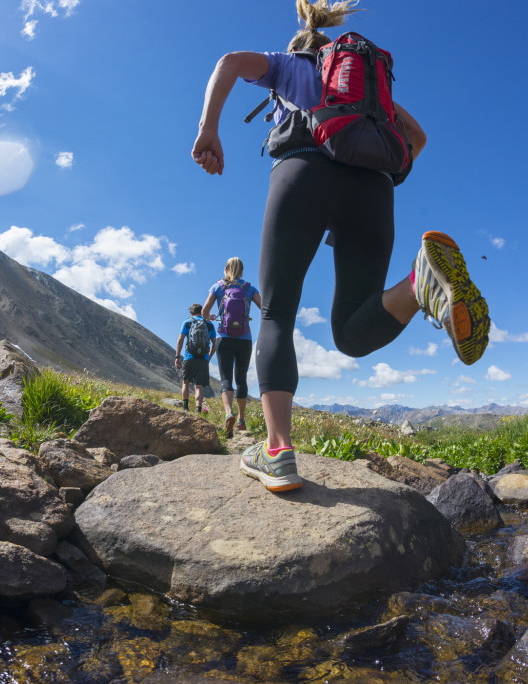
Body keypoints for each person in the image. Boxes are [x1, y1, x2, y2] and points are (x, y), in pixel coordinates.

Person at [191, 0, 489, 493]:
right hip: (374, 189)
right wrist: (363, 185)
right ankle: (420, 283)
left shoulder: (290, 65)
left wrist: (208, 129)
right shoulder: (371, 99)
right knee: (352, 332)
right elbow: (417, 136)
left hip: (302, 172)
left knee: (278, 315)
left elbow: (229, 62)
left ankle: (278, 450)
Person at [202, 257, 262, 438]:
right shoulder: (249, 288)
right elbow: (265, 308)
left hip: (223, 337)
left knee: (225, 378)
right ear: (242, 271)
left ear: (226, 269)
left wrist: (211, 317)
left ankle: (229, 413)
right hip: (244, 338)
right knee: (241, 378)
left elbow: (204, 311)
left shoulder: (218, 287)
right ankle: (242, 420)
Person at [175, 303, 218, 415]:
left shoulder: (187, 322)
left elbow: (180, 339)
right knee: (198, 387)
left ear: (191, 312)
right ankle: (198, 411)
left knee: (185, 383)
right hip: (203, 358)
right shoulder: (209, 324)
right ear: (202, 311)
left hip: (189, 357)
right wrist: (209, 356)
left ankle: (185, 408)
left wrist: (177, 356)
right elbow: (215, 344)